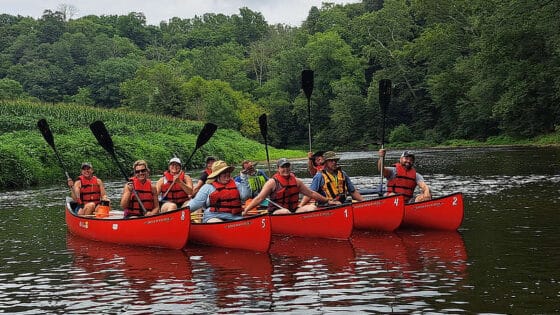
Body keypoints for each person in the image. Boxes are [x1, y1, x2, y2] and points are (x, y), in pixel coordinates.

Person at [243, 158, 340, 216]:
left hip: (293, 210)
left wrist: (328, 201)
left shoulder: (297, 182)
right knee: (285, 212)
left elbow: (311, 193)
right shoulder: (272, 182)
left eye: (287, 166)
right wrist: (246, 210)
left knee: (312, 208)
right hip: (276, 212)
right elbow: (260, 198)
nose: (286, 169)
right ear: (278, 169)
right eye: (283, 167)